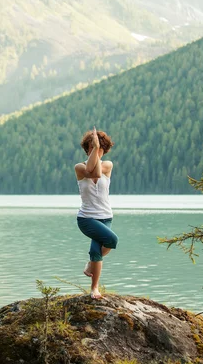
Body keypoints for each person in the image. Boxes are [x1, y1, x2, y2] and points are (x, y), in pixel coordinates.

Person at [75, 127, 118, 299]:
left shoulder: (108, 165)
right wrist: (94, 146)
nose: (96, 150)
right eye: (92, 147)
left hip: (106, 216)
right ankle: (94, 285)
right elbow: (90, 171)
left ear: (104, 150)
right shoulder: (79, 167)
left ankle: (92, 279)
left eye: (99, 147)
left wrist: (96, 146)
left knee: (96, 250)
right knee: (112, 239)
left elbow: (98, 172)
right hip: (86, 218)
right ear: (88, 149)